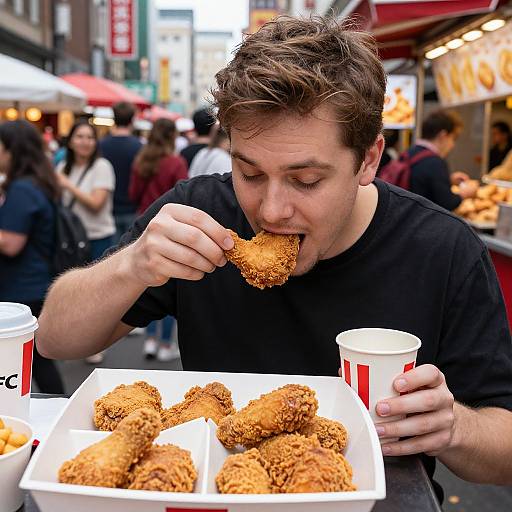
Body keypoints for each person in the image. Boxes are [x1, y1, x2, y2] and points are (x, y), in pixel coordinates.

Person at [37, 15, 512, 494]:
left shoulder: (444, 249)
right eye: (249, 172)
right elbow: (55, 340)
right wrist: (130, 265)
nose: (272, 209)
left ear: (368, 159)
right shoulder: (197, 213)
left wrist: (454, 427)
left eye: (307, 180)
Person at [0, 120, 65, 394]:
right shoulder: (37, 183)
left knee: (32, 357)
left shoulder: (23, 189)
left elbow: (10, 243)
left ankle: (55, 404)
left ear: (12, 151)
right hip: (34, 282)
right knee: (36, 357)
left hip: (22, 286)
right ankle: (57, 402)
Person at [56, 120, 116, 365]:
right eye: (80, 137)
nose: (85, 142)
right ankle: (70, 340)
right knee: (72, 291)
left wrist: (65, 184)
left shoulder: (102, 166)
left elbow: (96, 203)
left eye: (90, 137)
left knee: (97, 296)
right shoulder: (63, 166)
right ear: (70, 140)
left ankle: (94, 344)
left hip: (98, 236)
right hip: (71, 239)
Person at [129, 117, 186, 362]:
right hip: (172, 229)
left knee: (149, 286)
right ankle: (165, 343)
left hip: (144, 224)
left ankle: (150, 340)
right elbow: (186, 198)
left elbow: (133, 194)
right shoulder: (175, 163)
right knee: (171, 285)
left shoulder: (142, 161)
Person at [407, 110, 478, 211]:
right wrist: (465, 194)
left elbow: (422, 183)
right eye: (453, 138)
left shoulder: (411, 152)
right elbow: (447, 203)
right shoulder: (434, 162)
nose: (453, 145)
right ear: (443, 136)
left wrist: (448, 180)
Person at [99, 102, 142, 243]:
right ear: (132, 120)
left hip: (106, 208)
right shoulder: (139, 147)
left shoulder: (101, 145)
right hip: (132, 209)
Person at [129, 118, 188, 215]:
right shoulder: (177, 163)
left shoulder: (141, 160)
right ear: (173, 136)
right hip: (168, 218)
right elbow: (183, 196)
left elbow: (133, 194)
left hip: (144, 216)